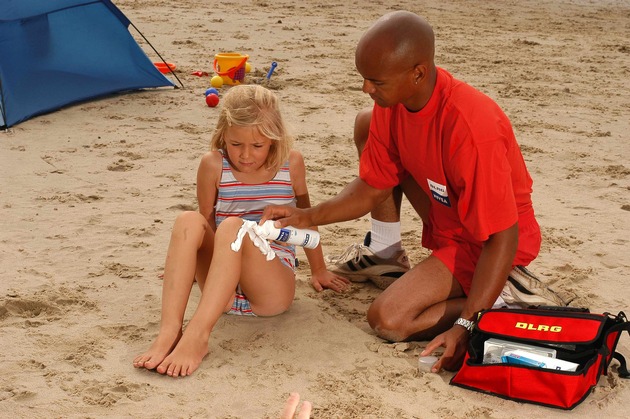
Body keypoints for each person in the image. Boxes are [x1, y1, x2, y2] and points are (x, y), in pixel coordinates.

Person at [262, 11, 567, 372]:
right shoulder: (396, 105)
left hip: (489, 241)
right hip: (448, 211)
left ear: (418, 73)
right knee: (367, 121)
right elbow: (372, 188)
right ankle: (385, 252)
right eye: (364, 78)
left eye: (376, 81)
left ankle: (504, 301)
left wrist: (466, 324)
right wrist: (306, 216)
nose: (366, 88)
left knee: (388, 320)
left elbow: (503, 235)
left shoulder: (472, 128)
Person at [133, 85, 349, 377]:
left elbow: (306, 218)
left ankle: (197, 336)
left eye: (257, 146)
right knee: (188, 220)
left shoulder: (292, 163)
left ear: (274, 139)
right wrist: (182, 263)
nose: (246, 155)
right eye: (236, 145)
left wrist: (319, 269)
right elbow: (206, 223)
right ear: (223, 135)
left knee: (236, 227)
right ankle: (169, 333)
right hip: (219, 293)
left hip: (268, 289)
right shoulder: (213, 165)